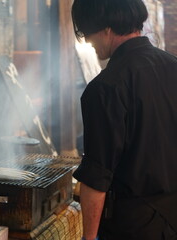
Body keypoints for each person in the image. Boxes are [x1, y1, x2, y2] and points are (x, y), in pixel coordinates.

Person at [70, 0, 177, 239]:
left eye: (88, 33)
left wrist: (88, 238)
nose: (87, 41)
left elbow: (97, 178)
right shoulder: (174, 66)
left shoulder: (105, 88)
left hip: (133, 228)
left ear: (106, 28)